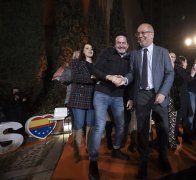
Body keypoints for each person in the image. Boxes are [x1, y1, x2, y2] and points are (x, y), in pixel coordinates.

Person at [114, 23, 174, 179]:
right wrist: (125, 80)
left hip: (159, 95)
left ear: (152, 34)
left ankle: (163, 158)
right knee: (141, 131)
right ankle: (143, 163)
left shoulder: (163, 52)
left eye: (143, 33)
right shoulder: (134, 54)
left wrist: (162, 92)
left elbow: (170, 74)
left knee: (163, 129)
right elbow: (132, 73)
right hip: (141, 96)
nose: (139, 36)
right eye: (138, 33)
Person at [88, 33, 130, 179]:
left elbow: (131, 75)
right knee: (99, 126)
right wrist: (109, 77)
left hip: (118, 96)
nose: (121, 45)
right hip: (102, 93)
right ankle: (93, 162)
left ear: (127, 45)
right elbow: (94, 69)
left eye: (123, 42)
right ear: (115, 44)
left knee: (121, 125)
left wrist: (125, 80)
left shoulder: (129, 57)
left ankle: (116, 149)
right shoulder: (107, 52)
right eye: (118, 42)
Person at [68, 43, 95, 163]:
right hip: (78, 98)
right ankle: (76, 150)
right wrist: (92, 78)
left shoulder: (96, 65)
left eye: (91, 48)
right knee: (78, 126)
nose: (90, 50)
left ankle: (89, 148)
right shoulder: (76, 63)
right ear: (82, 51)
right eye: (87, 48)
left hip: (92, 99)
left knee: (90, 124)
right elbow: (76, 78)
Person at [175, 56, 193, 144]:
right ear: (182, 62)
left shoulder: (181, 70)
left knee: (182, 118)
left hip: (183, 97)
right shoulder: (178, 70)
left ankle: (182, 137)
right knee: (179, 119)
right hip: (180, 97)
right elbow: (184, 81)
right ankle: (176, 138)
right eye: (186, 62)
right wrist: (192, 74)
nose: (187, 64)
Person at [167, 52, 181, 150]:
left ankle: (171, 142)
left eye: (173, 56)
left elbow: (180, 82)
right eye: (169, 56)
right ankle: (162, 142)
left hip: (173, 99)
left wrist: (173, 69)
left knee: (172, 123)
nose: (171, 58)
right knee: (162, 123)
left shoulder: (178, 69)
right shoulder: (161, 67)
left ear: (175, 59)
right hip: (162, 99)